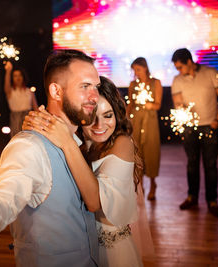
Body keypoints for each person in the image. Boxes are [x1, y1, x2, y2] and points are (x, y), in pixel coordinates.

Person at [0, 49, 100, 266]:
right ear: (56, 91)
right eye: (85, 86)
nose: (94, 96)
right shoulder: (29, 147)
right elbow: (7, 195)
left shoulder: (79, 142)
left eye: (96, 87)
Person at [23, 76, 154, 266]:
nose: (100, 126)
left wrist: (67, 142)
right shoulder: (80, 145)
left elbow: (94, 202)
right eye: (92, 117)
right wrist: (35, 125)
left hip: (114, 254)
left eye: (108, 115)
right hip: (82, 247)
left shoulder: (122, 143)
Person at [171, 48, 218, 218]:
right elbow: (178, 103)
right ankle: (192, 197)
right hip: (189, 128)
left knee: (210, 165)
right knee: (192, 163)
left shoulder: (211, 73)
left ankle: (212, 201)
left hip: (210, 125)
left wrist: (217, 120)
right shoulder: (177, 80)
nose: (178, 71)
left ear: (189, 61)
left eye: (180, 67)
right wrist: (181, 112)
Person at [126, 57, 162, 201]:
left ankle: (153, 184)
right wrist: (126, 120)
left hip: (150, 120)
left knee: (151, 150)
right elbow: (130, 105)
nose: (136, 72)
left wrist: (150, 105)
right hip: (136, 121)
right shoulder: (132, 84)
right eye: (134, 70)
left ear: (145, 68)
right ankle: (139, 185)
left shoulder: (156, 83)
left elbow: (158, 104)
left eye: (138, 69)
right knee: (137, 152)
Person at [4, 61, 38, 137]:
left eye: (19, 75)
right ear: (12, 78)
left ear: (23, 77)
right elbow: (6, 84)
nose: (18, 78)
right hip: (16, 120)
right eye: (15, 76)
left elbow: (36, 109)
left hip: (29, 119)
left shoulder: (29, 91)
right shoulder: (10, 92)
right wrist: (8, 71)